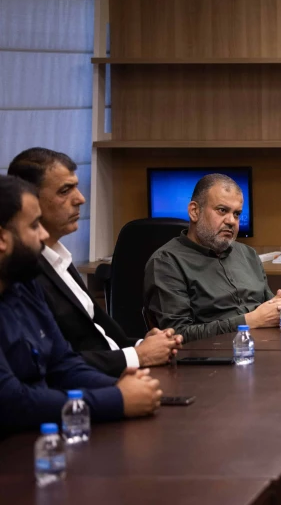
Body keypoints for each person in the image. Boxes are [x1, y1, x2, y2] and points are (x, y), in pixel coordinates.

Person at [0, 175, 161, 432]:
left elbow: (63, 364)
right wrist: (116, 399)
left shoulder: (24, 284)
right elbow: (11, 402)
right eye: (33, 226)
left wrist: (124, 386)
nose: (43, 235)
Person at [8, 148, 182, 377]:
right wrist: (137, 355)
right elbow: (55, 362)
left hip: (120, 375)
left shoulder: (61, 258)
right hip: (93, 388)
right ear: (31, 200)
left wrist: (145, 344)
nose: (80, 198)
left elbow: (100, 337)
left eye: (76, 187)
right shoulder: (25, 272)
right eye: (65, 190)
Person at [144, 173, 281, 343]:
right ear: (194, 211)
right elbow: (176, 335)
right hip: (211, 359)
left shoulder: (248, 254)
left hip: (265, 349)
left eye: (237, 214)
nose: (232, 221)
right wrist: (249, 321)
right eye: (222, 210)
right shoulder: (167, 261)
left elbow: (268, 311)